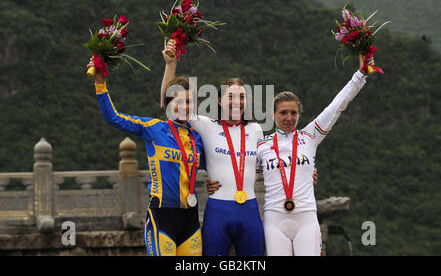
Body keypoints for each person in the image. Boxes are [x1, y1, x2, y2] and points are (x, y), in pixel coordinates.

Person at [87, 59, 205, 256]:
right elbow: (113, 118)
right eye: (178, 101)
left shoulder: (197, 136)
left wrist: (214, 180)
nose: (184, 106)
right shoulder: (154, 128)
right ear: (168, 104)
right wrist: (100, 83)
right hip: (162, 216)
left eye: (188, 101)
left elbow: (217, 162)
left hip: (191, 218)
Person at [257, 54, 369, 256]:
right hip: (274, 219)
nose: (289, 118)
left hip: (306, 218)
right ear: (273, 115)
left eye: (294, 113)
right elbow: (240, 169)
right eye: (283, 113)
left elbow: (337, 106)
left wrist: (360, 75)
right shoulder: (261, 145)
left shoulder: (310, 135)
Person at [161, 41, 265, 256]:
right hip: (218, 211)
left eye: (242, 96)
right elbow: (170, 104)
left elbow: (269, 164)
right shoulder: (206, 125)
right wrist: (170, 65)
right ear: (219, 100)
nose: (237, 101)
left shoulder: (256, 130)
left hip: (250, 210)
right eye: (231, 96)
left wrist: (305, 171)